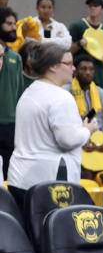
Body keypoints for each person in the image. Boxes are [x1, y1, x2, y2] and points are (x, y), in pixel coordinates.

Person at [6, 43, 97, 206]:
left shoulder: (29, 91)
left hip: (20, 178)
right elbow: (67, 140)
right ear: (53, 67)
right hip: (49, 183)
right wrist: (87, 130)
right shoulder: (61, 97)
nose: (74, 69)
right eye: (69, 64)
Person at [0, 8, 26, 178]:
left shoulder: (16, 58)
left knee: (7, 173)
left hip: (10, 125)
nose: (13, 28)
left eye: (14, 24)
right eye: (8, 24)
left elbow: (20, 93)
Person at [68, 0, 103, 89]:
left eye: (96, 6)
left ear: (102, 10)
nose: (92, 8)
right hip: (79, 78)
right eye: (90, 6)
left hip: (98, 78)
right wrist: (79, 44)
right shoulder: (77, 26)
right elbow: (68, 51)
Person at [71, 55, 103, 153]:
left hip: (97, 141)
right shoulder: (67, 92)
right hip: (76, 143)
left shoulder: (100, 92)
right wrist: (83, 139)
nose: (88, 72)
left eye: (91, 69)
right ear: (75, 71)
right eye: (83, 69)